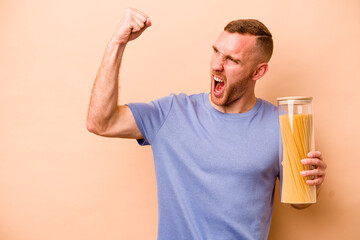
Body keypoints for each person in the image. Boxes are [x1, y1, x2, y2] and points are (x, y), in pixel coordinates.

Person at [87, 8, 327, 240]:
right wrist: (117, 43)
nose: (216, 65)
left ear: (258, 72)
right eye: (216, 51)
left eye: (232, 59)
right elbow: (100, 123)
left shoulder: (282, 126)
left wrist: (312, 185)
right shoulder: (172, 113)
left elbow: (299, 202)